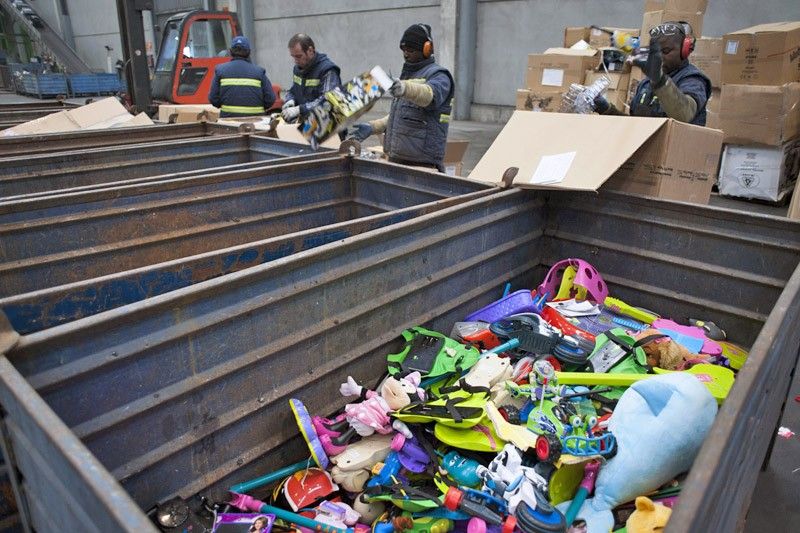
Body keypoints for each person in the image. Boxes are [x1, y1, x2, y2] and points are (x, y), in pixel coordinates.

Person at [348, 24, 454, 172]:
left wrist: (404, 88)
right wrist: (374, 127)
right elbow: (401, 115)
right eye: (403, 50)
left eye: (410, 50)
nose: (406, 54)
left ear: (426, 49)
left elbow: (429, 96)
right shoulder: (409, 75)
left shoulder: (440, 76)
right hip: (399, 160)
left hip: (422, 164)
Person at [595, 22, 710, 126]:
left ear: (684, 50)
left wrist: (659, 80)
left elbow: (684, 114)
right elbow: (636, 126)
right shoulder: (645, 84)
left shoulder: (693, 80)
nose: (659, 57)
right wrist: (607, 109)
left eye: (665, 51)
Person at [208, 36, 276, 118]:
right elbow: (270, 99)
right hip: (256, 123)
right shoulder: (259, 72)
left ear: (230, 51)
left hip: (228, 122)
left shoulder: (220, 70)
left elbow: (213, 98)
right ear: (249, 52)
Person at [281, 34, 341, 123]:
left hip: (326, 127)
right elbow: (294, 90)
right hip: (307, 125)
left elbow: (328, 101)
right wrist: (290, 99)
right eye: (293, 56)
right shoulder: (298, 69)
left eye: (298, 56)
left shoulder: (327, 70)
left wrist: (300, 109)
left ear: (310, 50)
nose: (295, 61)